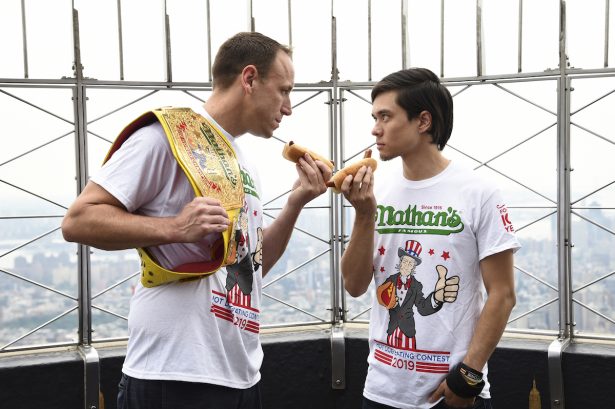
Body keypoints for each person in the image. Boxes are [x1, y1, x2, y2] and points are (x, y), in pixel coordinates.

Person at [61, 32, 332, 409]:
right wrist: (173, 228)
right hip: (175, 374)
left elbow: (250, 267)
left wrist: (296, 203)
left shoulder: (240, 159)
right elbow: (78, 220)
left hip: (240, 372)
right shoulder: (167, 137)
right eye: (284, 90)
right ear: (249, 79)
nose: (288, 107)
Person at [339, 67, 520, 409]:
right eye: (374, 117)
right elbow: (354, 284)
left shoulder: (479, 193)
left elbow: (503, 294)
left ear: (422, 122)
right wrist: (364, 214)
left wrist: (468, 376)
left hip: (451, 394)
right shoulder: (380, 191)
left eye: (386, 116)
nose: (375, 129)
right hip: (381, 390)